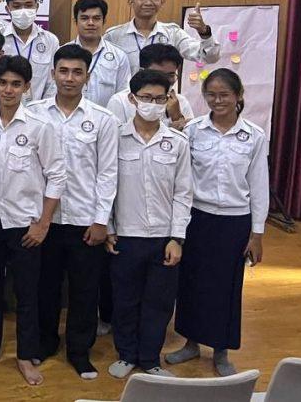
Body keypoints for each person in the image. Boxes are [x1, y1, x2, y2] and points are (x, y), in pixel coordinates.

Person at [167, 69, 268, 376]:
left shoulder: (254, 136)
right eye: (211, 94)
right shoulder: (194, 131)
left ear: (238, 96)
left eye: (224, 94)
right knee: (192, 282)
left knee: (226, 286)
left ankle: (221, 350)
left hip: (234, 221)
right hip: (197, 218)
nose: (218, 100)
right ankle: (190, 343)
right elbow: (181, 178)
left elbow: (259, 184)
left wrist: (257, 233)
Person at [28, 45, 119, 379]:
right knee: (45, 286)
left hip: (84, 220)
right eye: (63, 71)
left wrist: (101, 221)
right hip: (43, 219)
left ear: (87, 76)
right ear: (52, 74)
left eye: (77, 72)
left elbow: (108, 173)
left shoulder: (102, 119)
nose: (69, 78)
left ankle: (80, 351)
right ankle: (45, 342)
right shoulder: (34, 114)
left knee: (84, 290)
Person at [0, 56, 66, 386]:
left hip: (26, 225)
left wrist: (43, 224)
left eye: (16, 84)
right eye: (3, 83)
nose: (8, 89)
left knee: (27, 295)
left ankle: (26, 356)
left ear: (27, 87)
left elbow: (56, 176)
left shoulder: (40, 126)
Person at [106, 69, 193, 379]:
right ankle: (127, 354)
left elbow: (183, 194)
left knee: (158, 303)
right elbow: (105, 188)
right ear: (132, 99)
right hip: (125, 236)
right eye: (145, 98)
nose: (152, 104)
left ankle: (150, 359)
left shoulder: (178, 142)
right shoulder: (114, 138)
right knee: (125, 300)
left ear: (169, 99)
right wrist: (109, 228)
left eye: (159, 98)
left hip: (162, 237)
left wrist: (176, 238)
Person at [104, 0, 220, 74]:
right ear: (131, 2)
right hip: (127, 98)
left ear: (162, 2)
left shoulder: (173, 33)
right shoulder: (114, 36)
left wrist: (204, 31)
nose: (148, 2)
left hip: (162, 98)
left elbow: (210, 57)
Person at [106, 44, 194, 130]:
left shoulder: (181, 101)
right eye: (157, 74)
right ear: (141, 71)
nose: (164, 80)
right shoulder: (120, 101)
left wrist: (177, 116)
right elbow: (115, 138)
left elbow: (190, 140)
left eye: (170, 75)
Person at [65, 0, 129, 107]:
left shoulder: (119, 56)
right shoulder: (62, 53)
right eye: (84, 18)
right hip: (69, 118)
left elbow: (123, 94)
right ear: (75, 21)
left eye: (96, 18)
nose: (90, 23)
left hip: (106, 120)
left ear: (104, 21)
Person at [1, 0, 58, 101]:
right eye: (16, 6)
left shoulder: (51, 41)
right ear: (7, 8)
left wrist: (43, 110)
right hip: (5, 109)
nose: (23, 11)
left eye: (28, 5)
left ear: (37, 6)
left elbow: (53, 82)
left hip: (40, 112)